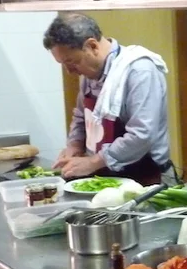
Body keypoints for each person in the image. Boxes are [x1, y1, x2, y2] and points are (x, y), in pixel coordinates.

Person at [44, 13, 176, 186]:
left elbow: (141, 135)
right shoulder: (91, 74)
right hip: (106, 175)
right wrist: (74, 146)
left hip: (147, 178)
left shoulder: (139, 71)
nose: (70, 71)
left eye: (72, 62)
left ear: (92, 46)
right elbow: (81, 116)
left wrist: (93, 162)